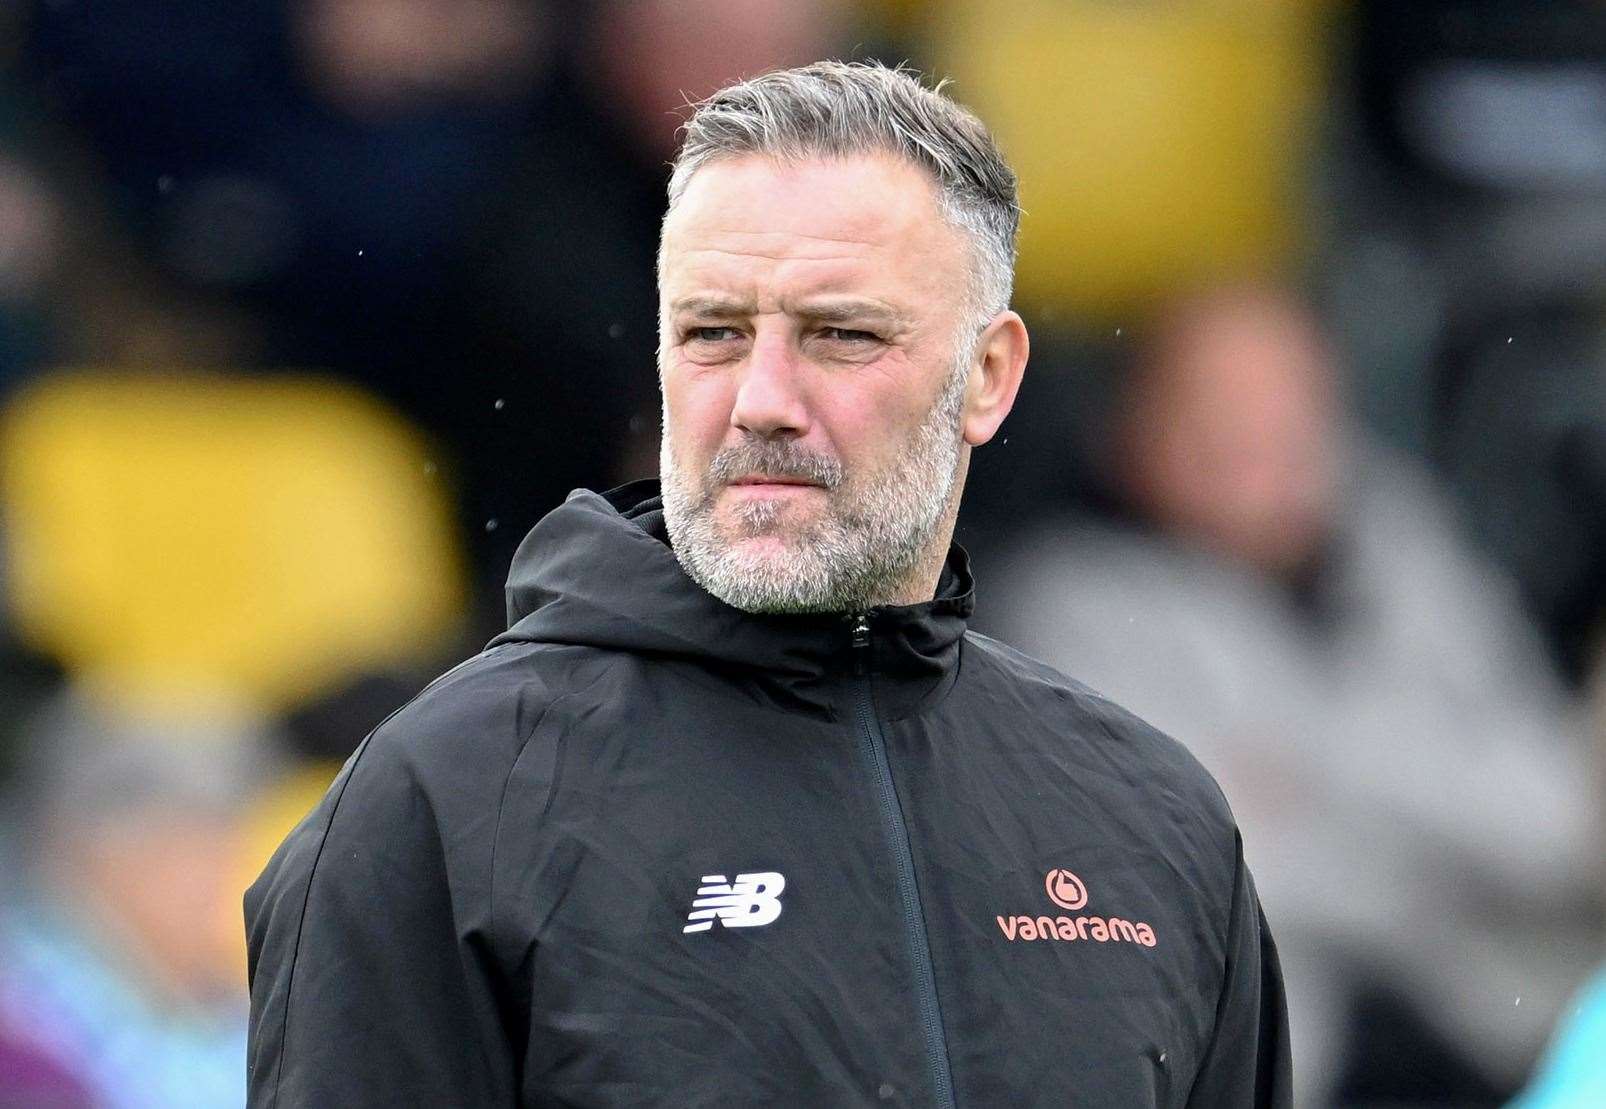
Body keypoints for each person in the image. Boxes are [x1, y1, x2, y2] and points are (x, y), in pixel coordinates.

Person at [245, 61, 1290, 1107]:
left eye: (840, 334)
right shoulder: (442, 806)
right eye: (713, 333)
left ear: (988, 376)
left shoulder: (1152, 821)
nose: (760, 402)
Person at [988, 284, 1598, 1103]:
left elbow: (1558, 817)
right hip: (1291, 1056)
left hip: (1505, 1029)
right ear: (1136, 428)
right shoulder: (1068, 603)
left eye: (1288, 401)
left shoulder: (1407, 550)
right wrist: (1445, 864)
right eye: (1216, 403)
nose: (1255, 434)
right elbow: (1198, 876)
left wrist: (1307, 784)